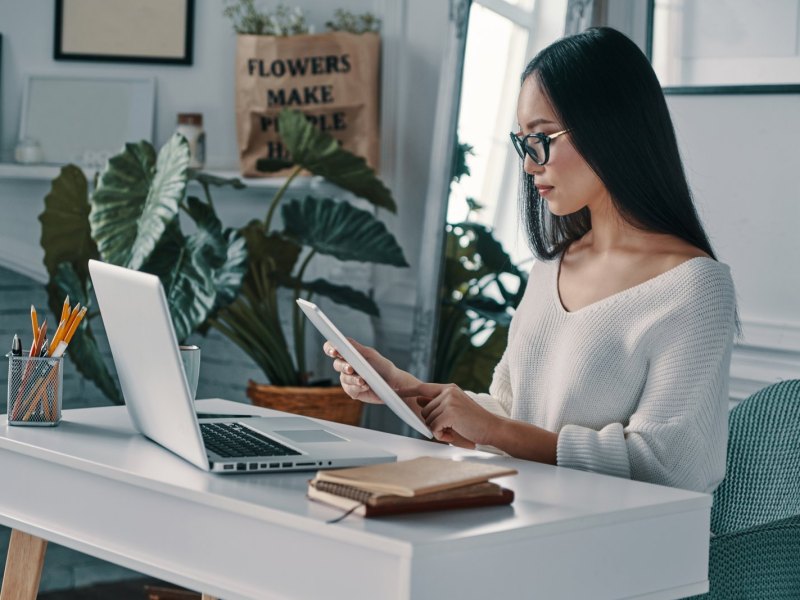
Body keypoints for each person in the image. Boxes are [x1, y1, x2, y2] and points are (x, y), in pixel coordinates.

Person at [324, 27, 737, 494]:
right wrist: (403, 388)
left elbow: (671, 467)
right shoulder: (552, 267)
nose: (528, 164)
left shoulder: (694, 287)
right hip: (526, 514)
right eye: (523, 143)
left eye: (542, 139)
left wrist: (497, 430)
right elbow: (510, 414)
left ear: (610, 127)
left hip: (613, 544)